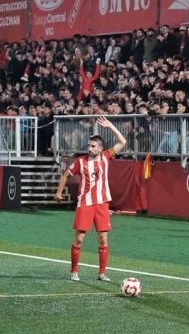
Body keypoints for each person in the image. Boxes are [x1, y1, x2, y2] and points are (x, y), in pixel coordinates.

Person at [55, 116, 126, 282]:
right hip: (85, 204)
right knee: (79, 239)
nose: (90, 148)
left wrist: (110, 126)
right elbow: (65, 175)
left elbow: (122, 141)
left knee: (103, 239)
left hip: (102, 204)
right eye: (89, 145)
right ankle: (74, 272)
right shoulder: (81, 161)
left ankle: (101, 273)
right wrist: (59, 192)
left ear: (100, 148)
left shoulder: (106, 157)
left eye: (93, 146)